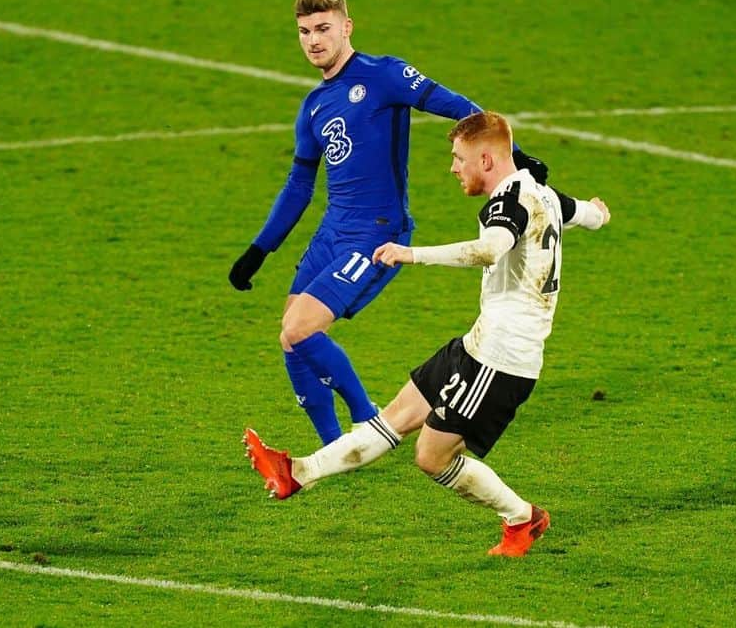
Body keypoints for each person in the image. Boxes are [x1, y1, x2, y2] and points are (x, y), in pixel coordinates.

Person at [244, 111, 610, 557]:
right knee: (395, 416)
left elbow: (489, 249)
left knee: (430, 457)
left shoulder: (506, 203)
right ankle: (296, 472)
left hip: (501, 360)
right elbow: (585, 214)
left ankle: (522, 519)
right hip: (478, 344)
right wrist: (598, 212)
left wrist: (410, 254)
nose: (454, 168)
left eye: (460, 158)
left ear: (488, 160)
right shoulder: (543, 194)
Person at [229, 0, 557, 445]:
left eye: (323, 28)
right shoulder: (313, 107)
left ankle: (367, 424)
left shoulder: (383, 75)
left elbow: (459, 108)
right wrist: (259, 250)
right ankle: (332, 445)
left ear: (347, 27)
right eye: (304, 32)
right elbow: (299, 184)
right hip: (332, 231)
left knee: (301, 329)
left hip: (375, 231)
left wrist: (516, 156)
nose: (313, 40)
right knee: (290, 339)